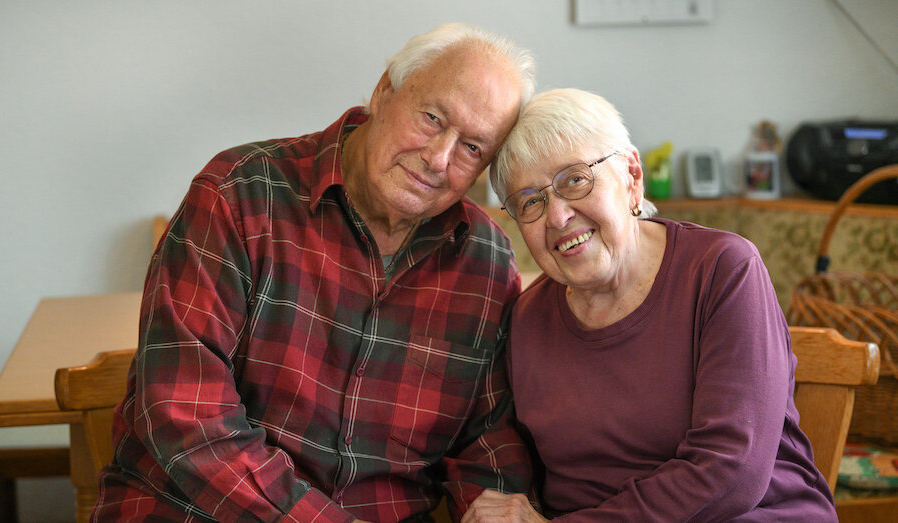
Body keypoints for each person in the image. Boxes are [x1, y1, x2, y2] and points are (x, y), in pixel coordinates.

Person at [94, 23, 537, 522]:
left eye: (472, 148)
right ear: (385, 90)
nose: (439, 159)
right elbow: (187, 417)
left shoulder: (486, 263)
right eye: (433, 118)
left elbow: (487, 441)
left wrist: (498, 509)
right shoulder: (239, 194)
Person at [463, 88, 838, 521]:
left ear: (632, 176)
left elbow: (732, 472)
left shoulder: (721, 270)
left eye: (575, 180)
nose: (557, 217)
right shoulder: (526, 319)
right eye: (531, 201)